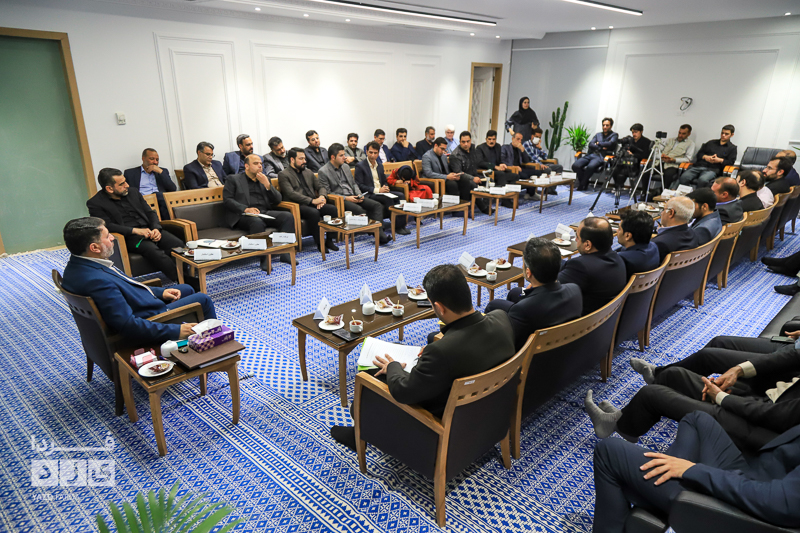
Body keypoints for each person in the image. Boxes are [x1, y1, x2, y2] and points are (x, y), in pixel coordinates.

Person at [329, 264, 516, 450]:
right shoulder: (501, 318)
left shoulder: (441, 352)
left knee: (370, 376)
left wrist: (393, 366)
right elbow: (471, 343)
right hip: (487, 412)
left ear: (439, 307)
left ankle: (359, 433)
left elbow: (403, 392)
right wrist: (441, 345)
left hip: (438, 421)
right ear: (467, 292)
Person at [586, 331, 800, 453]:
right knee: (673, 375)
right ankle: (624, 423)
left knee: (651, 395)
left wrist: (722, 397)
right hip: (768, 399)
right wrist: (737, 370)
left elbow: (776, 416)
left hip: (765, 430)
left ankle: (615, 424)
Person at [592, 411, 800, 533]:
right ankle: (662, 487)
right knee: (697, 419)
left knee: (609, 452)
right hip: (754, 474)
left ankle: (667, 494)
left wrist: (693, 470)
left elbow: (778, 503)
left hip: (745, 506)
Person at [61, 217, 216, 344]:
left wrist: (160, 292)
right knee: (203, 299)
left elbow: (127, 286)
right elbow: (127, 325)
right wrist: (176, 331)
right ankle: (215, 344)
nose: (113, 237)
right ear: (94, 247)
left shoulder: (78, 266)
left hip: (137, 303)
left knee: (187, 288)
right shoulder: (97, 281)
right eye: (107, 236)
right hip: (150, 318)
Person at [87, 168, 184, 282]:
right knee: (154, 252)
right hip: (130, 238)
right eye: (122, 184)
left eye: (125, 181)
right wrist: (135, 230)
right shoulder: (95, 203)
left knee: (177, 244)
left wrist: (156, 228)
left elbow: (150, 212)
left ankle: (191, 274)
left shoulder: (133, 192)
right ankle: (181, 279)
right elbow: (107, 226)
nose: (127, 185)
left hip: (150, 230)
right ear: (109, 188)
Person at [485, 238, 582, 350]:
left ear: (528, 272)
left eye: (523, 263)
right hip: (566, 346)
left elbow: (513, 344)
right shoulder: (575, 290)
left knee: (494, 305)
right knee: (515, 292)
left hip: (535, 357)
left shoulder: (523, 309)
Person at [222, 154, 296, 267]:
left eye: (261, 163)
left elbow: (277, 199)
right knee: (256, 222)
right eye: (256, 163)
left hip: (263, 212)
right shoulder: (233, 179)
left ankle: (285, 253)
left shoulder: (264, 179)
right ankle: (264, 259)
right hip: (244, 215)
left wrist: (267, 185)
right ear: (246, 166)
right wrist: (246, 209)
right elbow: (227, 200)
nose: (260, 166)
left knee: (287, 216)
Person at [318, 143, 390, 245]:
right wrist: (346, 198)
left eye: (344, 154)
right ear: (333, 157)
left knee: (376, 205)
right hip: (342, 199)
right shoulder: (323, 171)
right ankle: (379, 235)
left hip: (355, 195)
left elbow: (353, 184)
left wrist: (360, 195)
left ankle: (378, 233)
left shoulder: (345, 167)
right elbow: (328, 192)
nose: (345, 157)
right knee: (360, 210)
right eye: (341, 155)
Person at [555, 217, 627, 315]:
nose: (576, 240)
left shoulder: (581, 266)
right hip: (605, 319)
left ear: (588, 245)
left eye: (578, 237)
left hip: (580, 322)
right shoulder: (618, 259)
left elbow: (550, 286)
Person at [277, 147, 340, 253]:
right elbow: (290, 193)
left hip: (313, 202)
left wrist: (322, 197)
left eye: (304, 158)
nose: (304, 161)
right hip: (297, 205)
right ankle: (320, 243)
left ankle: (329, 241)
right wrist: (312, 201)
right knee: (313, 213)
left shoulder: (308, 172)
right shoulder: (283, 174)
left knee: (332, 209)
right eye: (301, 159)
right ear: (292, 160)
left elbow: (321, 186)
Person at [354, 142, 410, 235]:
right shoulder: (360, 166)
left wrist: (385, 186)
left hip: (382, 192)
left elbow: (384, 180)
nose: (373, 155)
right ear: (366, 152)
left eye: (375, 153)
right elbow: (360, 185)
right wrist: (378, 190)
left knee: (401, 196)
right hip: (370, 194)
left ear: (378, 153)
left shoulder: (379, 165)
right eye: (371, 152)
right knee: (388, 199)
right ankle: (396, 226)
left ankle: (402, 225)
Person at [123, 148, 177, 219]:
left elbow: (173, 188)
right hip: (143, 199)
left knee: (162, 202)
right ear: (143, 158)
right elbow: (127, 191)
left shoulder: (162, 171)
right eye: (152, 159)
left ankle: (169, 222)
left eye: (157, 160)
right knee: (161, 198)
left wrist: (161, 172)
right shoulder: (130, 173)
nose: (155, 162)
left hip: (160, 200)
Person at [449, 131, 491, 214]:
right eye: (463, 142)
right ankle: (483, 208)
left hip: (474, 175)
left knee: (489, 181)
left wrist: (476, 176)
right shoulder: (455, 155)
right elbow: (458, 172)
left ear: (470, 141)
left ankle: (487, 205)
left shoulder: (472, 149)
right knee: (472, 184)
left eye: (468, 141)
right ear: (459, 142)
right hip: (462, 179)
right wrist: (473, 178)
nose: (466, 144)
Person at [421, 137, 473, 202]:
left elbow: (447, 170)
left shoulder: (443, 156)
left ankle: (465, 203)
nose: (443, 151)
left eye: (444, 149)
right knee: (452, 184)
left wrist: (454, 175)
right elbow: (428, 173)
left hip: (446, 178)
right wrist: (446, 177)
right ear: (436, 145)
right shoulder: (427, 156)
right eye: (442, 149)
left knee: (465, 181)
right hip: (436, 181)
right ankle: (455, 205)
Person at [572, 118, 618, 191]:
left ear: (611, 126)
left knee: (590, 167)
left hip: (601, 157)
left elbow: (610, 143)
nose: (605, 127)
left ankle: (582, 185)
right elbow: (591, 144)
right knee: (575, 166)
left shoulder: (614, 135)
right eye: (603, 125)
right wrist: (601, 147)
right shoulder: (598, 135)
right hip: (591, 154)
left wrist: (598, 143)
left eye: (607, 125)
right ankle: (585, 182)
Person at [651, 196, 699, 262]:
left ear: (671, 213)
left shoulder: (659, 243)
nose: (661, 213)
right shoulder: (693, 234)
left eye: (664, 210)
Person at [615, 210, 660, 278]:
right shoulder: (654, 247)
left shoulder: (621, 259)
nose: (617, 231)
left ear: (628, 236)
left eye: (619, 229)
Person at [612, 124, 650, 191]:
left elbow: (645, 155)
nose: (634, 134)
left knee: (623, 171)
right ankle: (618, 186)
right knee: (614, 169)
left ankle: (619, 187)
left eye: (636, 132)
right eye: (633, 132)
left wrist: (633, 155)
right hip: (625, 161)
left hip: (636, 164)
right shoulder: (629, 140)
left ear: (641, 131)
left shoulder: (646, 142)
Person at [660, 124, 696, 189]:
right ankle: (644, 192)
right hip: (660, 162)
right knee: (647, 171)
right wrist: (661, 156)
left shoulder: (691, 144)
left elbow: (688, 159)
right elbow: (658, 150)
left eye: (683, 134)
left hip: (673, 165)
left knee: (668, 175)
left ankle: (663, 191)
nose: (680, 135)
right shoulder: (670, 140)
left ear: (689, 134)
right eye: (679, 133)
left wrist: (674, 160)